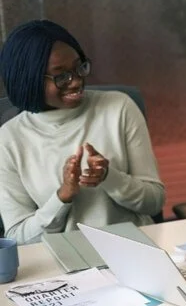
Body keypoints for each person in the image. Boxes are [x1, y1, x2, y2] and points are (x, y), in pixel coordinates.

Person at [0, 19, 166, 244]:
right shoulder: (9, 140)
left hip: (133, 249)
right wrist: (62, 197)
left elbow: (154, 202)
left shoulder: (119, 107)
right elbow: (18, 236)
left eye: (79, 67)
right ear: (28, 80)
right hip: (57, 263)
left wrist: (110, 177)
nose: (77, 81)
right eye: (61, 76)